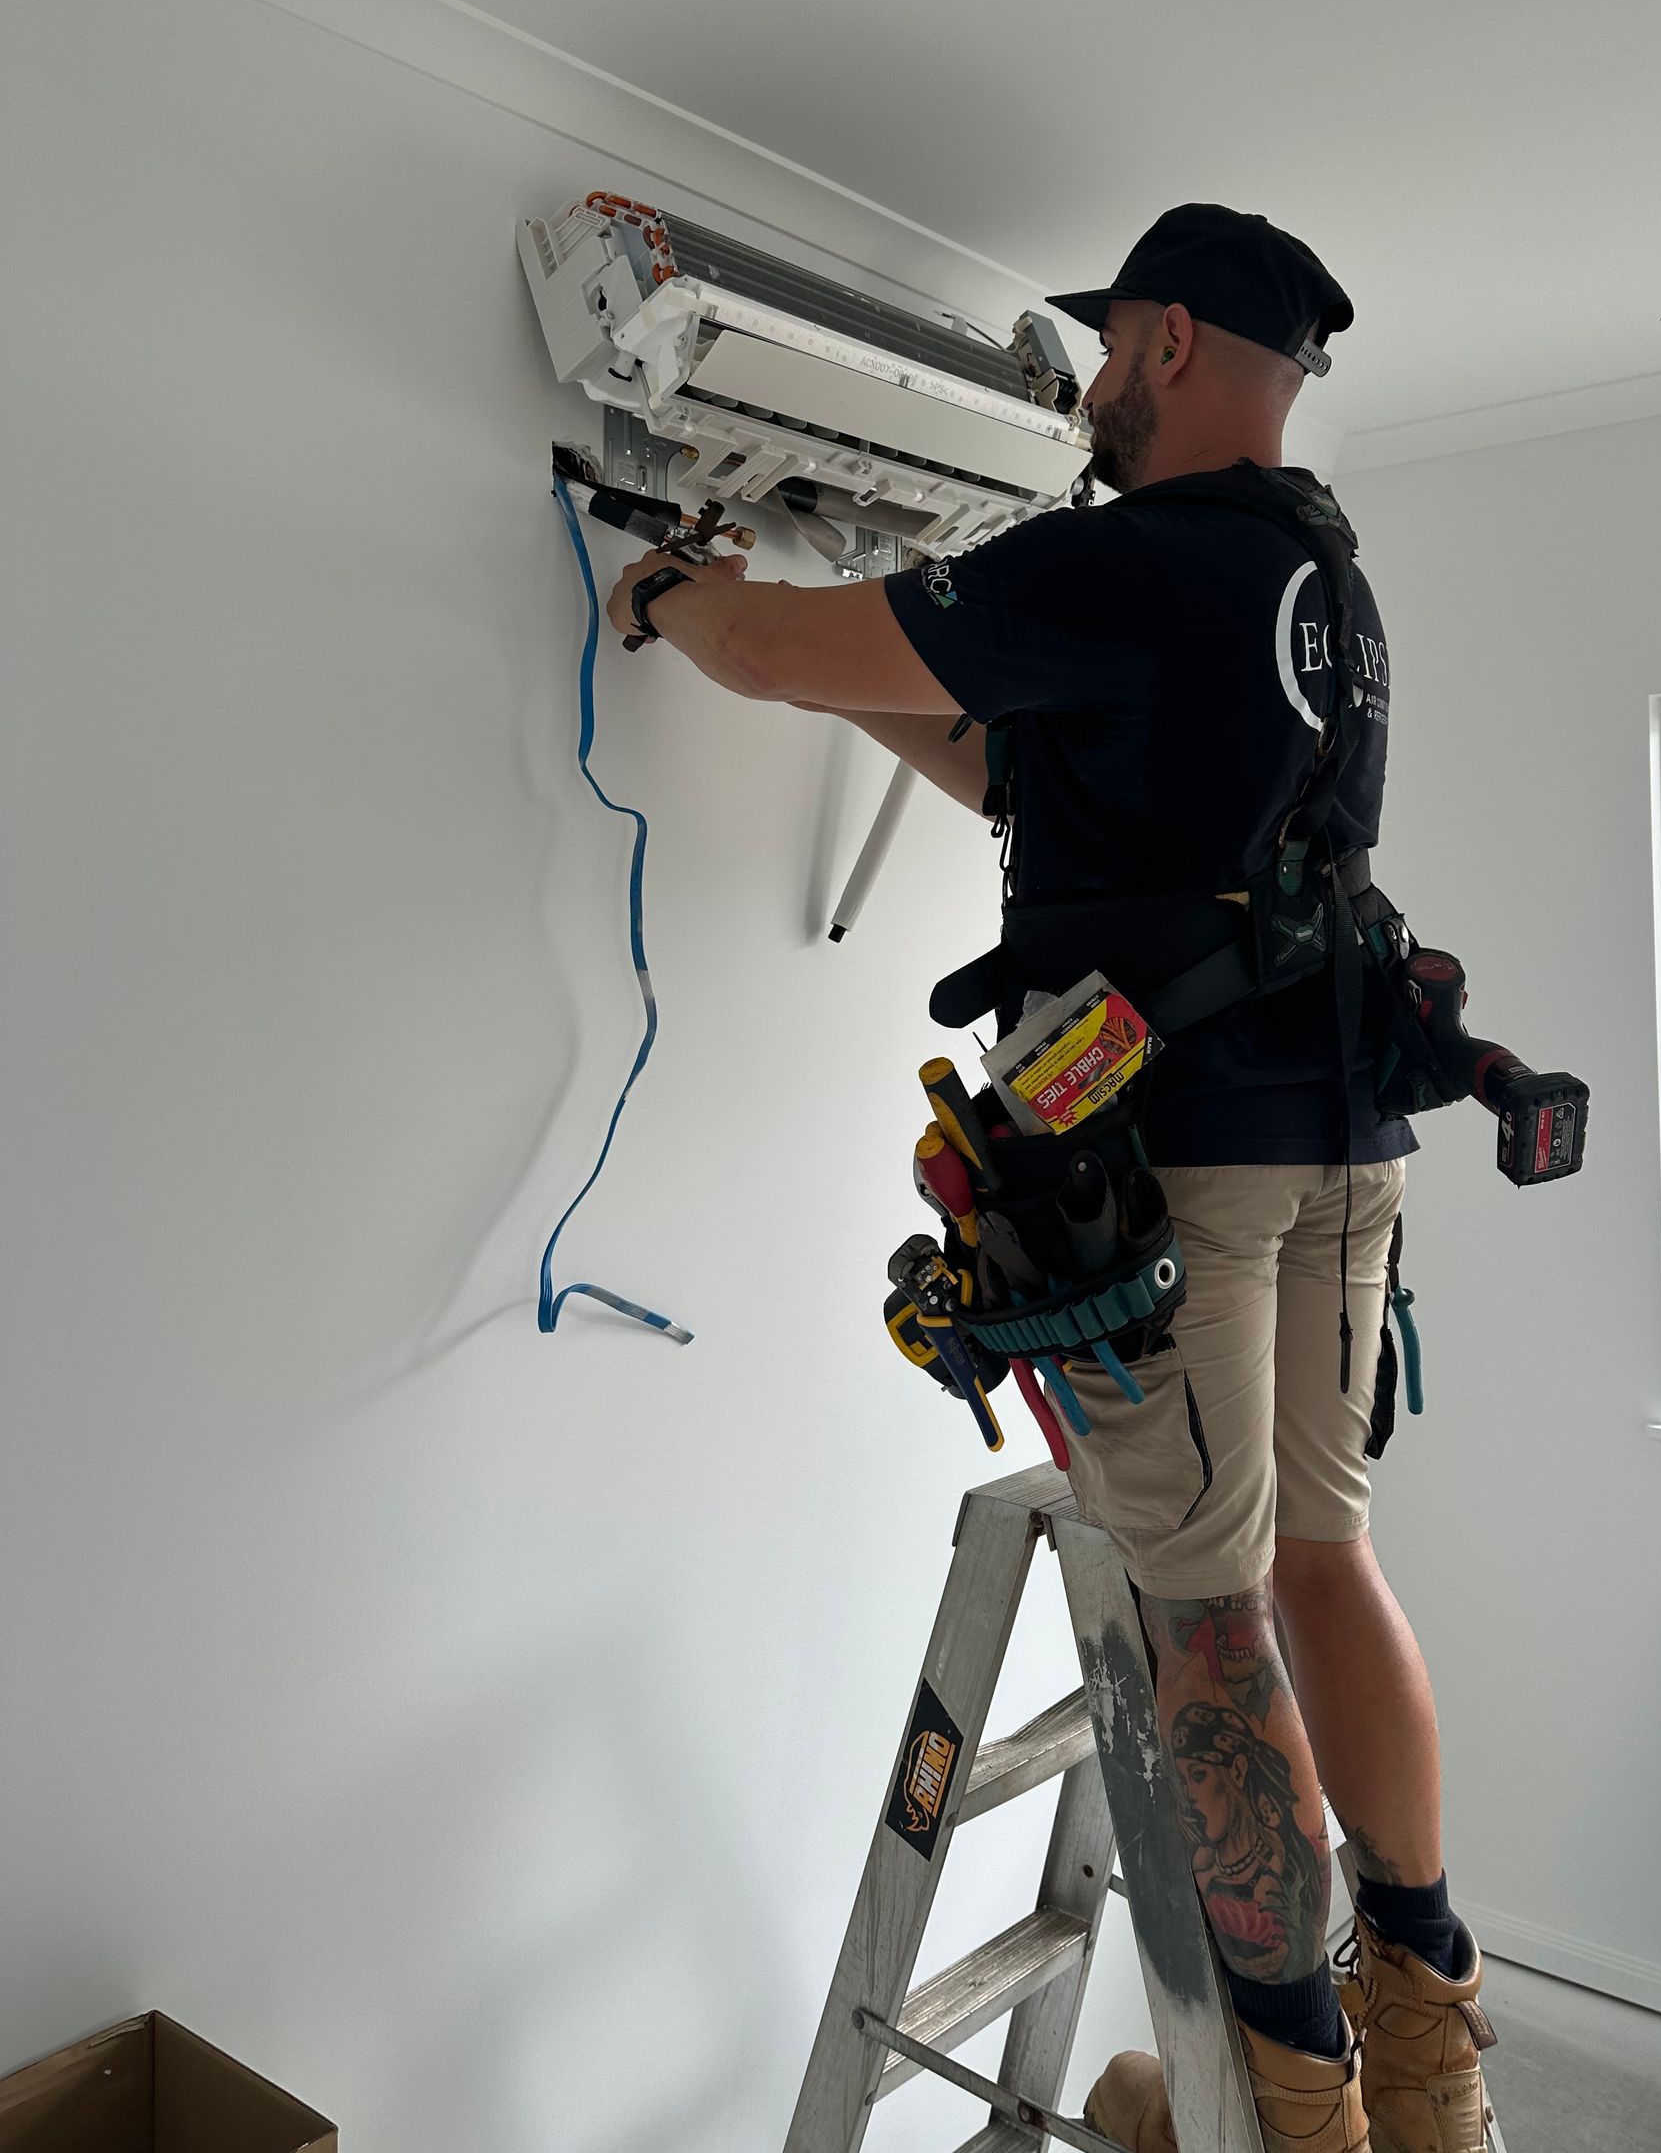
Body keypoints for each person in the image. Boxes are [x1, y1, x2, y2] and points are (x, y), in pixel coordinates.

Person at [606, 204, 1494, 2153]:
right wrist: (871, 679)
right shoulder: (1322, 592)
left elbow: (756, 642)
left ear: (1168, 340)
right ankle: (1428, 2054)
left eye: (1102, 356)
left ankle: (1295, 2100)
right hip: (1346, 1145)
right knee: (1324, 1561)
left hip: (1180, 1183)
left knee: (1206, 1610)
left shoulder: (1124, 560)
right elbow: (1043, 786)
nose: (1088, 393)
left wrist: (677, 598)